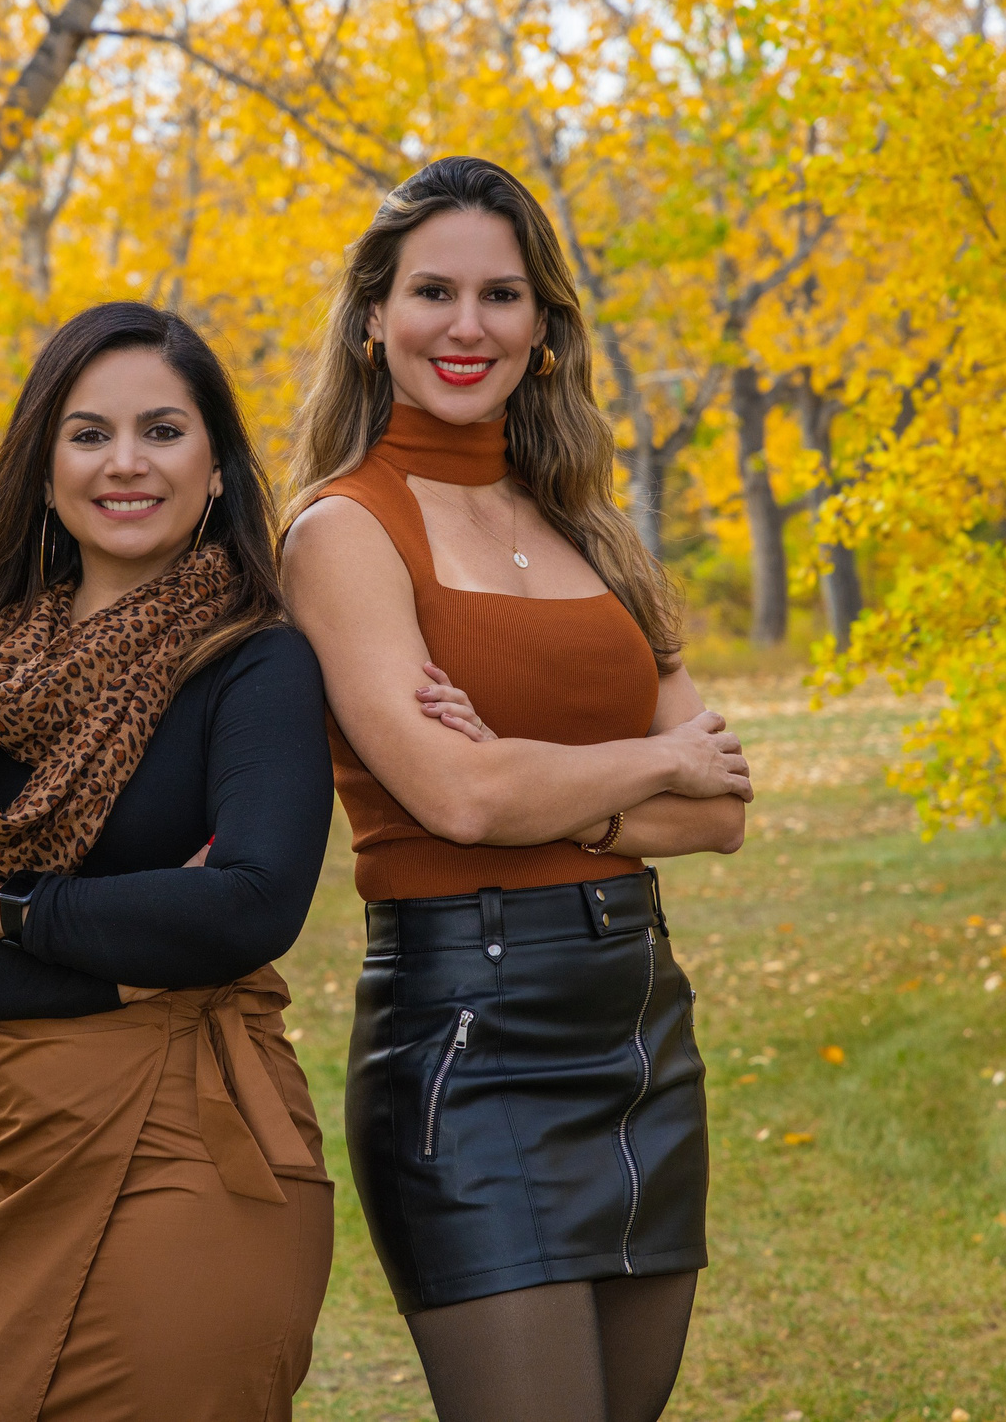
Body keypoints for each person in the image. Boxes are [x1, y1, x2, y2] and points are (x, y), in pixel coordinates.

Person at [281, 157, 753, 1422]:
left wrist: (531, 776)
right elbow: (463, 802)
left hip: (637, 1030)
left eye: (500, 295)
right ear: (373, 317)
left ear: (542, 325)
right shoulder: (342, 531)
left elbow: (720, 812)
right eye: (432, 291)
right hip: (467, 1040)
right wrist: (645, 764)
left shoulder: (589, 527)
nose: (467, 325)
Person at [0, 301, 336, 1422]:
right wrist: (126, 967)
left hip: (194, 1152)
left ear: (216, 467)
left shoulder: (254, 662)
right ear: (45, 467)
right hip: (12, 1141)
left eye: (162, 431)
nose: (126, 462)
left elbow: (252, 905)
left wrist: (11, 913)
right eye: (89, 433)